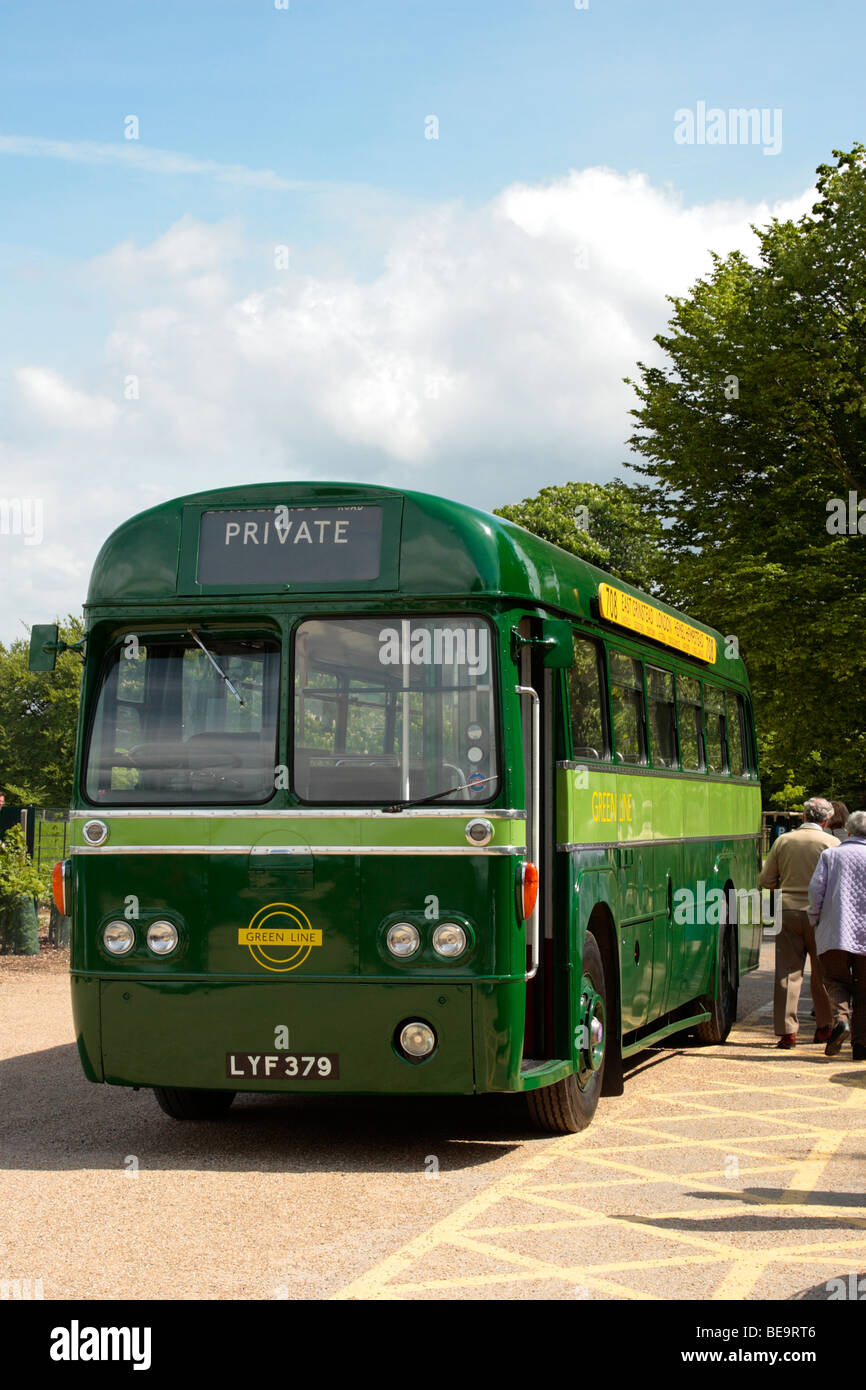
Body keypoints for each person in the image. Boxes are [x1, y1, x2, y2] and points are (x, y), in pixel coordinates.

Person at [759, 797, 836, 1048]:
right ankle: (824, 1027)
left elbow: (767, 880)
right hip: (821, 914)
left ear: (803, 817)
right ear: (826, 821)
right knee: (822, 973)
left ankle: (787, 1032)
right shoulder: (832, 843)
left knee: (788, 972)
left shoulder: (783, 841)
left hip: (788, 909)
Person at [808, 810, 866, 1060]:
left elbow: (816, 890)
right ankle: (861, 1044)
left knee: (834, 981)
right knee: (864, 989)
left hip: (834, 933)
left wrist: (814, 918)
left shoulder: (831, 855)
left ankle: (841, 1020)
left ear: (849, 831)